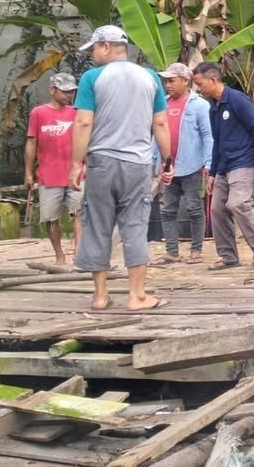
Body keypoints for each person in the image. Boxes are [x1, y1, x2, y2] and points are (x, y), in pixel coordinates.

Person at [69, 25, 170, 312]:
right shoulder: (150, 77)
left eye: (93, 49)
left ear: (106, 46)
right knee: (135, 227)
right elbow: (160, 123)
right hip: (137, 165)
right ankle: (137, 296)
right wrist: (168, 160)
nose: (92, 55)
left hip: (101, 163)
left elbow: (83, 122)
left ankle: (100, 296)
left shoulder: (92, 78)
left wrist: (76, 164)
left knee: (98, 224)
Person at [191, 62, 254, 269]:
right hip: (224, 165)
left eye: (200, 84)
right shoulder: (213, 108)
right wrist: (212, 172)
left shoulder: (237, 100)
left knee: (236, 203)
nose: (198, 89)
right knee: (217, 209)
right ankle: (228, 257)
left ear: (212, 80)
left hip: (244, 161)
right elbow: (217, 141)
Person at [152, 62, 213, 266]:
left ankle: (196, 250)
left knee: (194, 207)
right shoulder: (163, 104)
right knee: (168, 209)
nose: (167, 85)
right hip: (168, 167)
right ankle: (171, 251)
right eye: (165, 81)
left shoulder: (200, 105)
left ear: (185, 81)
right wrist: (155, 161)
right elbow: (156, 134)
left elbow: (207, 135)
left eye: (171, 80)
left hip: (192, 165)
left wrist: (208, 162)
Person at [25, 72, 81, 265]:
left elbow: (85, 141)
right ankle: (59, 255)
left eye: (71, 92)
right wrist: (28, 172)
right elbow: (31, 143)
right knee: (50, 218)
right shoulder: (39, 113)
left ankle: (79, 253)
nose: (68, 95)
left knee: (80, 212)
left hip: (76, 173)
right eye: (65, 91)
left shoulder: (77, 112)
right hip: (48, 175)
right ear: (52, 90)